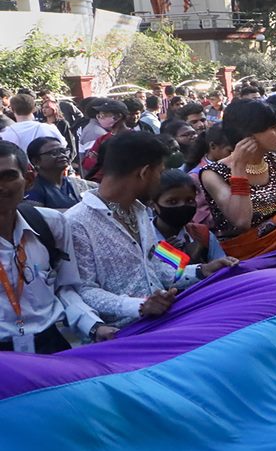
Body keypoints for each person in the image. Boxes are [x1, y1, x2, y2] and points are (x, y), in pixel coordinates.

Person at [67, 132, 237, 333]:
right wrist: (139, 306)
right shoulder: (76, 222)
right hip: (122, 335)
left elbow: (155, 268)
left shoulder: (139, 211)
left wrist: (201, 271)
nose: (160, 179)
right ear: (144, 172)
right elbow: (84, 289)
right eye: (160, 172)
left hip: (166, 321)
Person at [0, 141, 101, 352]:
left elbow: (65, 287)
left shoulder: (51, 224)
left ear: (29, 180)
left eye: (8, 176)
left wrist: (93, 326)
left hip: (51, 345)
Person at [198, 100, 276, 260]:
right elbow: (242, 221)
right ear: (248, 134)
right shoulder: (213, 174)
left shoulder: (274, 159)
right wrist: (239, 167)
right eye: (272, 127)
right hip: (245, 263)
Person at [151, 169, 227, 267]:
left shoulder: (202, 235)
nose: (182, 206)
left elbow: (223, 269)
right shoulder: (143, 239)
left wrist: (198, 261)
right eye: (172, 201)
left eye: (190, 200)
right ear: (153, 204)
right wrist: (170, 259)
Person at [24, 136, 93, 210]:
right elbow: (34, 215)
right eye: (54, 153)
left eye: (63, 151)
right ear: (36, 161)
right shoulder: (33, 190)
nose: (62, 155)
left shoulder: (75, 183)